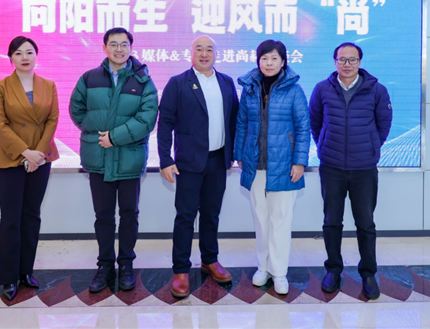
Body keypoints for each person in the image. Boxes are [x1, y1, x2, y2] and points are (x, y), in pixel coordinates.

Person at [69, 27, 158, 293]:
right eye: (114, 44)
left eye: (124, 44)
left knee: (129, 215)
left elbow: (147, 119)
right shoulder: (89, 78)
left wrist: (114, 137)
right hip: (98, 158)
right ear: (104, 47)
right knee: (103, 216)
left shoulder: (143, 81)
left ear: (131, 47)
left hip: (129, 159)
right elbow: (76, 110)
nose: (119, 49)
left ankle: (127, 264)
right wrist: (97, 132)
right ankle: (105, 265)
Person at [308, 42, 392, 300]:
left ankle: (368, 274)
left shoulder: (377, 90)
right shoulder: (322, 89)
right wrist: (324, 146)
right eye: (342, 59)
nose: (347, 64)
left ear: (360, 62)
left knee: (365, 223)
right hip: (331, 166)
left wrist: (371, 147)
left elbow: (384, 125)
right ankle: (333, 270)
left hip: (364, 168)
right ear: (335, 62)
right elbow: (315, 122)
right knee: (332, 221)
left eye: (352, 59)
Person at [157, 35, 239, 298]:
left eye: (209, 49)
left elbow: (234, 120)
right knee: (185, 217)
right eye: (199, 49)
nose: (204, 54)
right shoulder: (177, 83)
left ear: (216, 54)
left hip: (218, 161)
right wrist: (165, 159)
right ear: (191, 53)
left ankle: (209, 260)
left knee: (211, 214)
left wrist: (234, 154)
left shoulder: (226, 82)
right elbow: (165, 123)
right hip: (188, 163)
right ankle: (181, 269)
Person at [233, 40, 310, 295]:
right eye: (264, 58)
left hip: (285, 165)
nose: (269, 63)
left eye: (274, 58)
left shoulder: (294, 90)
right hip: (255, 164)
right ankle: (263, 268)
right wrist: (239, 154)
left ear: (283, 61)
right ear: (258, 61)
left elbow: (303, 127)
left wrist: (299, 162)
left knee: (280, 220)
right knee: (261, 220)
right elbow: (242, 123)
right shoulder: (249, 89)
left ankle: (279, 272)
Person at [0, 36, 60, 301]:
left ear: (37, 56)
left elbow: (53, 120)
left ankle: (25, 272)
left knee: (31, 215)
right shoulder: (0, 86)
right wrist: (25, 152)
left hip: (40, 159)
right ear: (11, 58)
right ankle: (8, 277)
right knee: (11, 218)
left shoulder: (49, 85)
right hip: (10, 159)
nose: (24, 57)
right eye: (18, 53)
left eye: (29, 52)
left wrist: (38, 153)